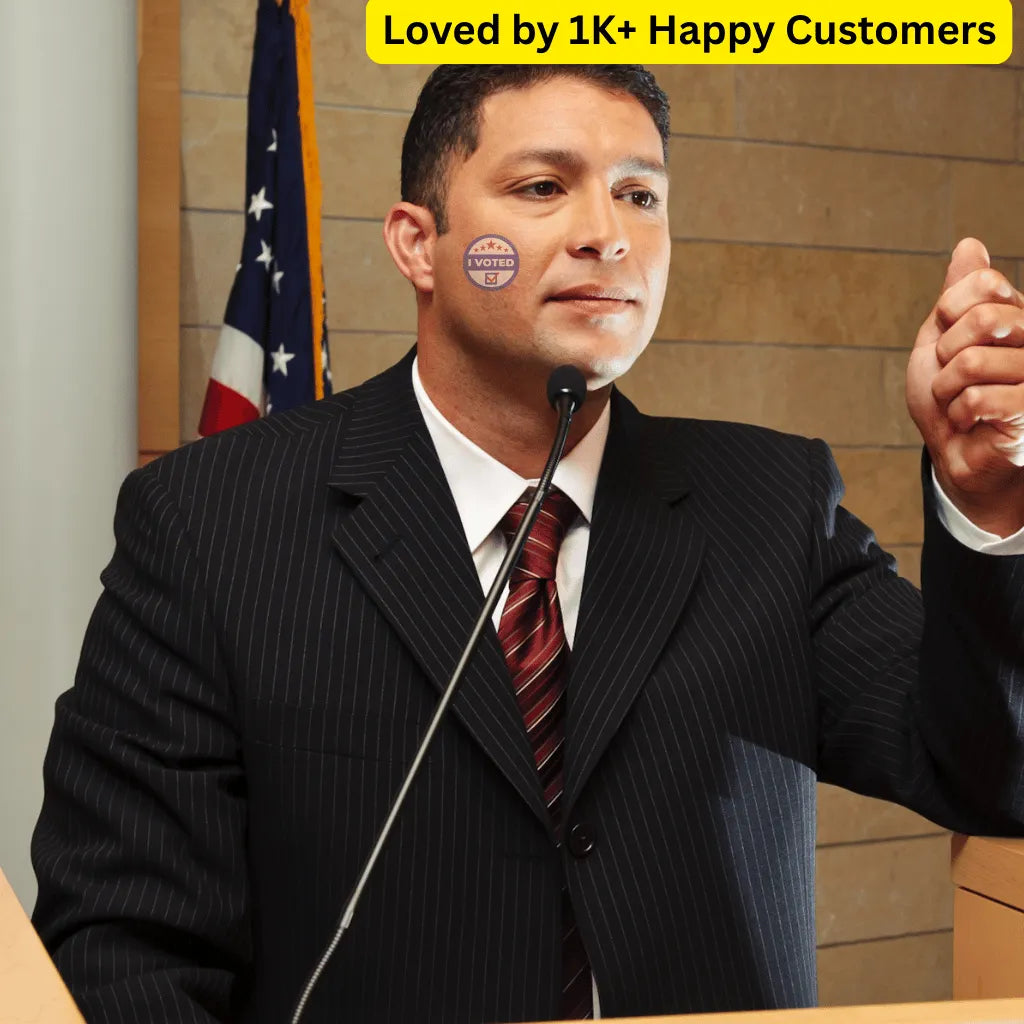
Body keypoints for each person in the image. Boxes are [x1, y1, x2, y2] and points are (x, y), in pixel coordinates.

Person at [31, 64, 1024, 1024]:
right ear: (419, 244)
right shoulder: (211, 521)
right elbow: (126, 948)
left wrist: (988, 504)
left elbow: (985, 774)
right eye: (544, 187)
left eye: (641, 194)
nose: (607, 235)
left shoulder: (773, 504)